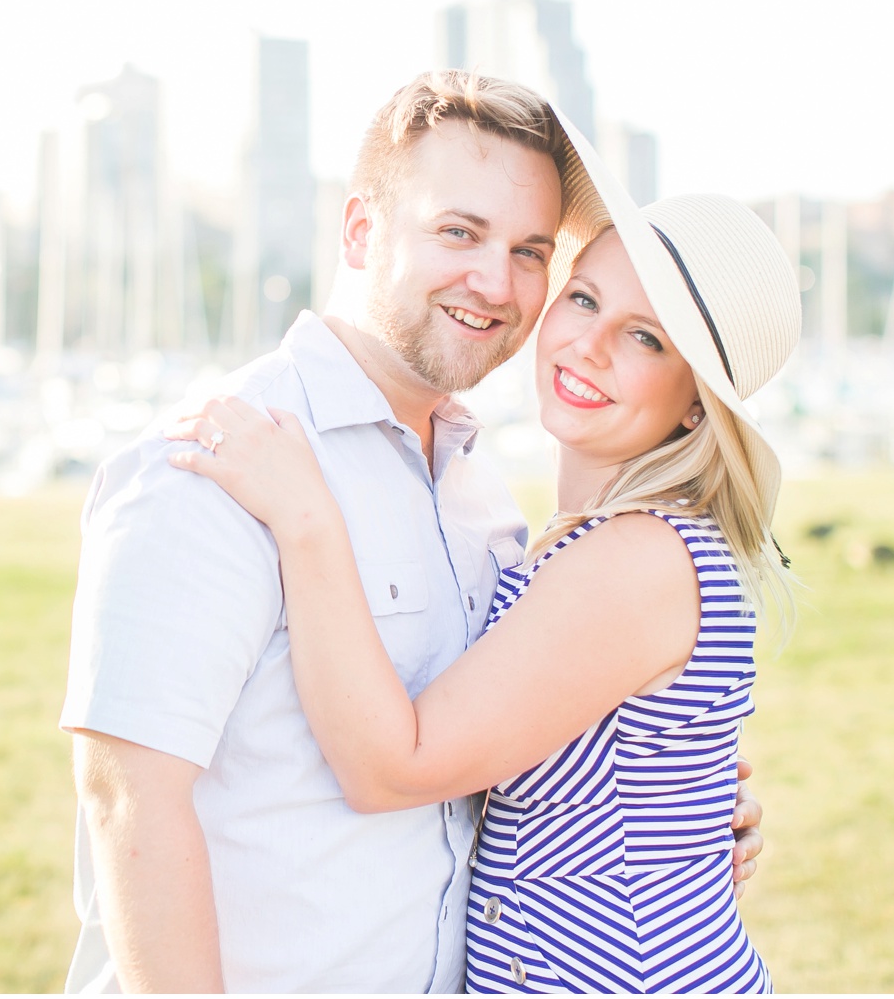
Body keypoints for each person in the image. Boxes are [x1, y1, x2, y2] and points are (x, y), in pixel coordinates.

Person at [58, 72, 764, 993]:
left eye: (528, 251)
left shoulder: (480, 500)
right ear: (360, 230)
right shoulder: (215, 458)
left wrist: (680, 808)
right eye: (458, 232)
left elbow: (502, 740)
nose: (495, 282)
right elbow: (128, 800)